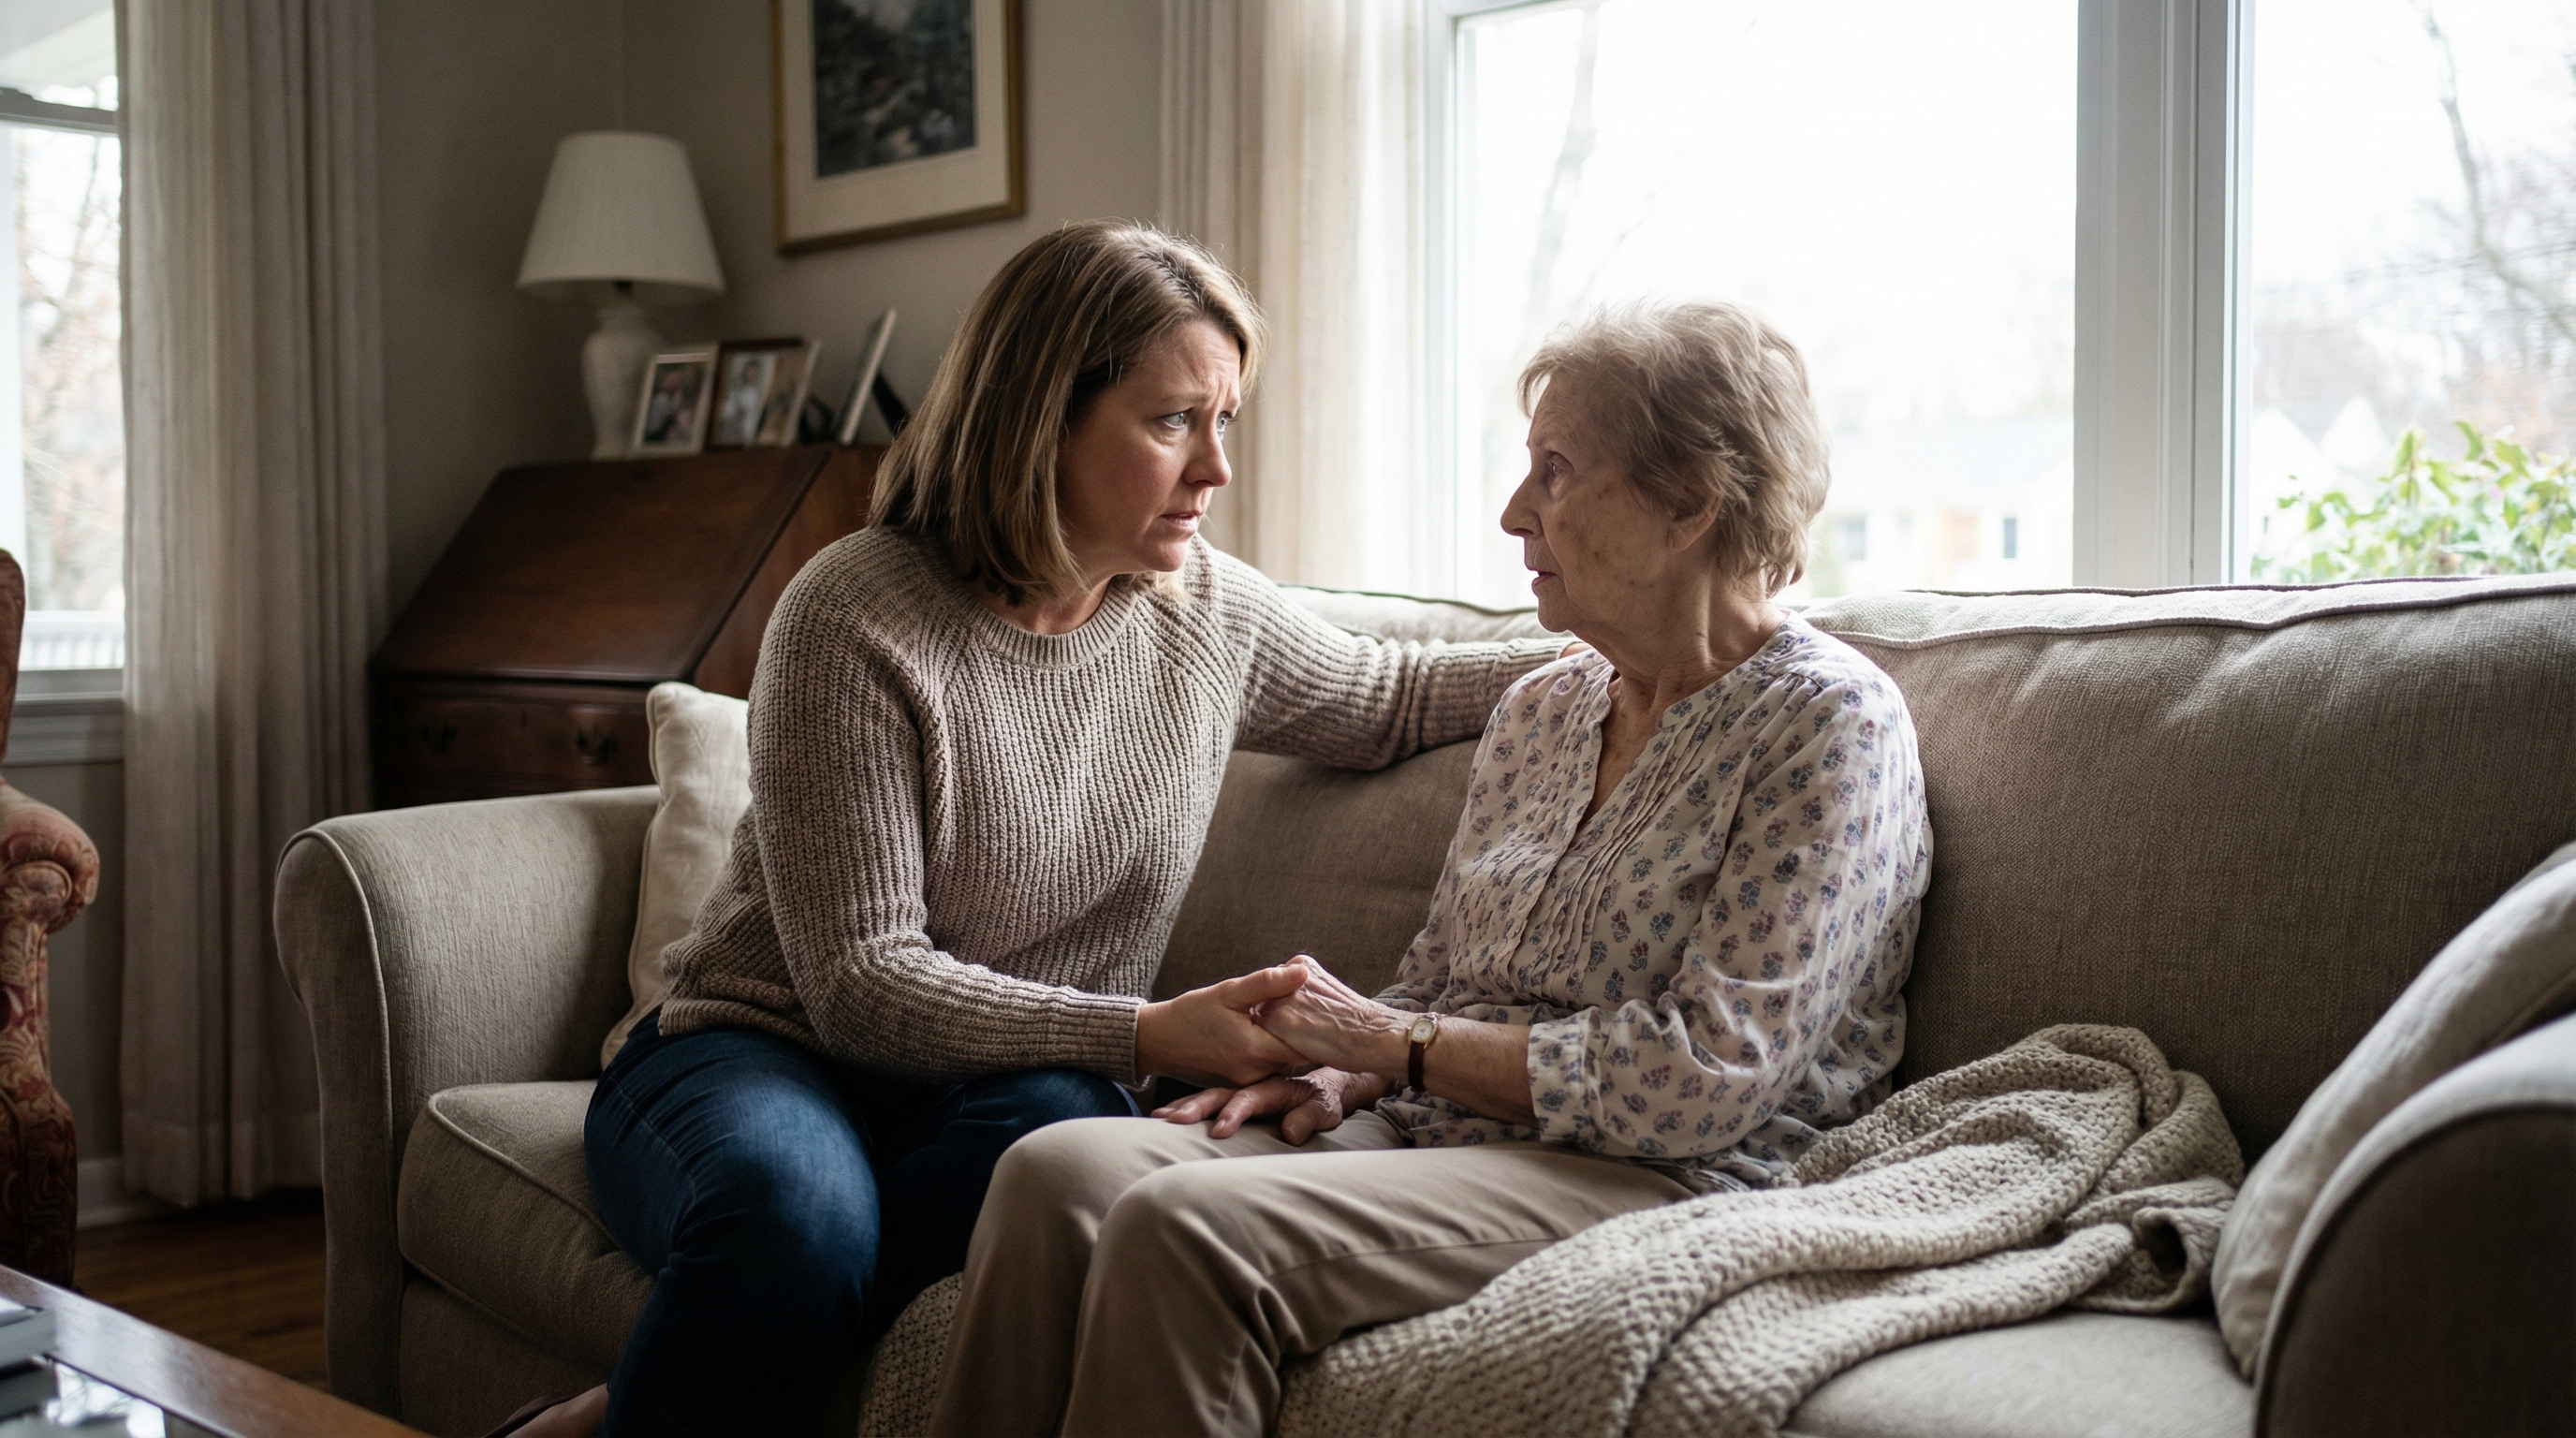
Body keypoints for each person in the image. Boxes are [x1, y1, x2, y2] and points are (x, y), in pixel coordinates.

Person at [507, 224, 1564, 1438]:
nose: (1215, 470)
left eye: (1226, 422)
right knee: (796, 1220)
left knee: (1073, 1136)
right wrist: (1149, 1028)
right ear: (1038, 419)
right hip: (760, 1049)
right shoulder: (858, 612)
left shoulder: (1205, 611)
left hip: (1004, 1085)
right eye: (1174, 422)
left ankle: (642, 1393)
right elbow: (862, 985)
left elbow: (1397, 698)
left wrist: (1696, 639)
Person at [929, 301, 1935, 1438]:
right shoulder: (1543, 709)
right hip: (1442, 1131)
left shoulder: (1828, 725)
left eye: (1556, 472)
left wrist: (1392, 1047)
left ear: (1690, 504)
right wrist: (1339, 1074)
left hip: (1665, 1173)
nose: (1515, 513)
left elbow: (1708, 1075)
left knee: (1184, 1230)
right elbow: (1438, 980)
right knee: (1052, 1173)